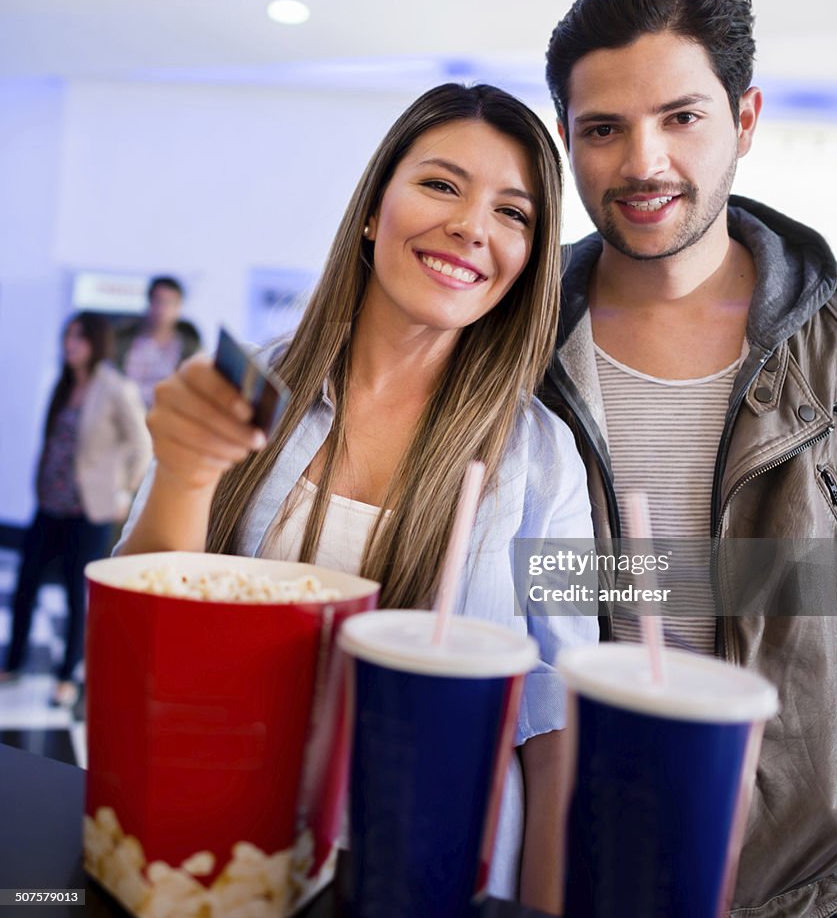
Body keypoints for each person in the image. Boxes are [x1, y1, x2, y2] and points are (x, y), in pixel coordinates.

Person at [116, 83, 598, 912]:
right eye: (442, 185)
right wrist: (184, 472)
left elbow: (557, 729)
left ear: (528, 261)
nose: (472, 226)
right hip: (224, 860)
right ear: (373, 211)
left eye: (513, 214)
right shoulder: (253, 386)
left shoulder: (545, 457)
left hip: (440, 877)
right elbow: (137, 642)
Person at [542, 0, 837, 917]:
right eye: (603, 128)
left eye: (680, 117)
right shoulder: (509, 342)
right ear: (565, 138)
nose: (642, 163)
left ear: (743, 120)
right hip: (563, 874)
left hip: (799, 893)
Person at [0, 312, 150, 707]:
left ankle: (68, 676)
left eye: (79, 338)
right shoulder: (65, 384)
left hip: (88, 511)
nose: (71, 344)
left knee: (73, 594)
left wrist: (124, 492)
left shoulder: (115, 388)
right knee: (26, 585)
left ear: (96, 343)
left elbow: (143, 445)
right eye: (68, 336)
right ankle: (12, 663)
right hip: (49, 504)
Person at [115, 275, 201, 408]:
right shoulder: (124, 341)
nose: (162, 309)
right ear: (149, 302)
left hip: (168, 415)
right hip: (125, 411)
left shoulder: (189, 347)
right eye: (159, 301)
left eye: (169, 303)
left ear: (179, 307)